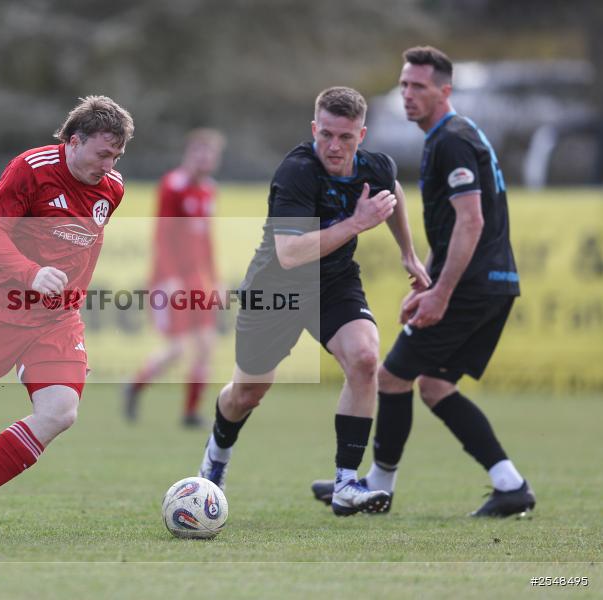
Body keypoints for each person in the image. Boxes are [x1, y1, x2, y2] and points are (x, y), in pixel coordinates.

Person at [311, 46, 535, 517]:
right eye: (405, 84)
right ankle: (509, 483)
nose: (408, 95)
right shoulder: (450, 135)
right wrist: (427, 278)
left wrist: (443, 292)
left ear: (444, 91)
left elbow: (470, 222)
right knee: (433, 385)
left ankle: (379, 484)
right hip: (493, 282)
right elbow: (455, 226)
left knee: (391, 375)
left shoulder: (451, 139)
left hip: (473, 287)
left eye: (419, 87)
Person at [197, 87, 430, 516]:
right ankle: (216, 457)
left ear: (361, 135)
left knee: (364, 359)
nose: (334, 146)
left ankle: (345, 482)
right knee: (247, 393)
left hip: (334, 284)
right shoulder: (297, 171)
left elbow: (391, 190)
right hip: (276, 287)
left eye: (345, 137)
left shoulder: (375, 167)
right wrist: (359, 223)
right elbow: (291, 253)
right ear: (313, 129)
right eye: (326, 135)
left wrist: (408, 253)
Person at [0, 95, 134, 535]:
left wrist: (69, 296)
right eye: (102, 153)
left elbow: (85, 246)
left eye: (116, 156)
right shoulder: (30, 170)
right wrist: (32, 274)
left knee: (61, 411)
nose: (109, 165)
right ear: (74, 141)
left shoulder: (111, 189)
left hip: (56, 319)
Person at [124, 128, 226, 428]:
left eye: (211, 155)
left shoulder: (209, 190)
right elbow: (162, 235)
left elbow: (207, 240)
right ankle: (136, 385)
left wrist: (215, 279)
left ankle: (191, 413)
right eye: (200, 153)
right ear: (189, 154)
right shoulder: (173, 186)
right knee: (178, 349)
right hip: (171, 279)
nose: (205, 160)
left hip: (196, 280)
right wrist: (168, 278)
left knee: (206, 344)